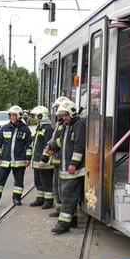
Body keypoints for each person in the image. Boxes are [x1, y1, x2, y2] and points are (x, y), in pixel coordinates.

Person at [47, 100, 85, 235]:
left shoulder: (79, 125)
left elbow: (79, 146)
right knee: (66, 196)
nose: (64, 118)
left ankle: (63, 224)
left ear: (73, 112)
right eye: (62, 115)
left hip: (73, 170)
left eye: (65, 115)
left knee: (68, 197)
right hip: (65, 169)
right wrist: (51, 146)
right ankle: (71, 220)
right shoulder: (67, 125)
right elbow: (62, 141)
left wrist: (73, 164)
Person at [0, 105, 32, 207]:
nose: (12, 117)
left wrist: (28, 158)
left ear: (19, 116)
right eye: (11, 115)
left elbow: (29, 146)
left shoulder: (25, 130)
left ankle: (16, 199)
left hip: (19, 161)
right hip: (5, 161)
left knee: (18, 182)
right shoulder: (5, 128)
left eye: (14, 115)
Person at [39, 96, 72, 217]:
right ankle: (59, 210)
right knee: (57, 187)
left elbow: (62, 141)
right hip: (57, 159)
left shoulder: (66, 124)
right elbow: (54, 139)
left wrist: (51, 147)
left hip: (60, 159)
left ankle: (63, 211)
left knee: (62, 188)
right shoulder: (60, 122)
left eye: (59, 108)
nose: (57, 112)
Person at [28, 105, 55, 208]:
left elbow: (47, 146)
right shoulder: (40, 128)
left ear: (40, 116)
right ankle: (40, 199)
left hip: (45, 163)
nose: (35, 118)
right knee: (38, 182)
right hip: (38, 161)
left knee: (46, 182)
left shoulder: (47, 129)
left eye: (36, 115)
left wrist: (43, 159)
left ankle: (48, 201)